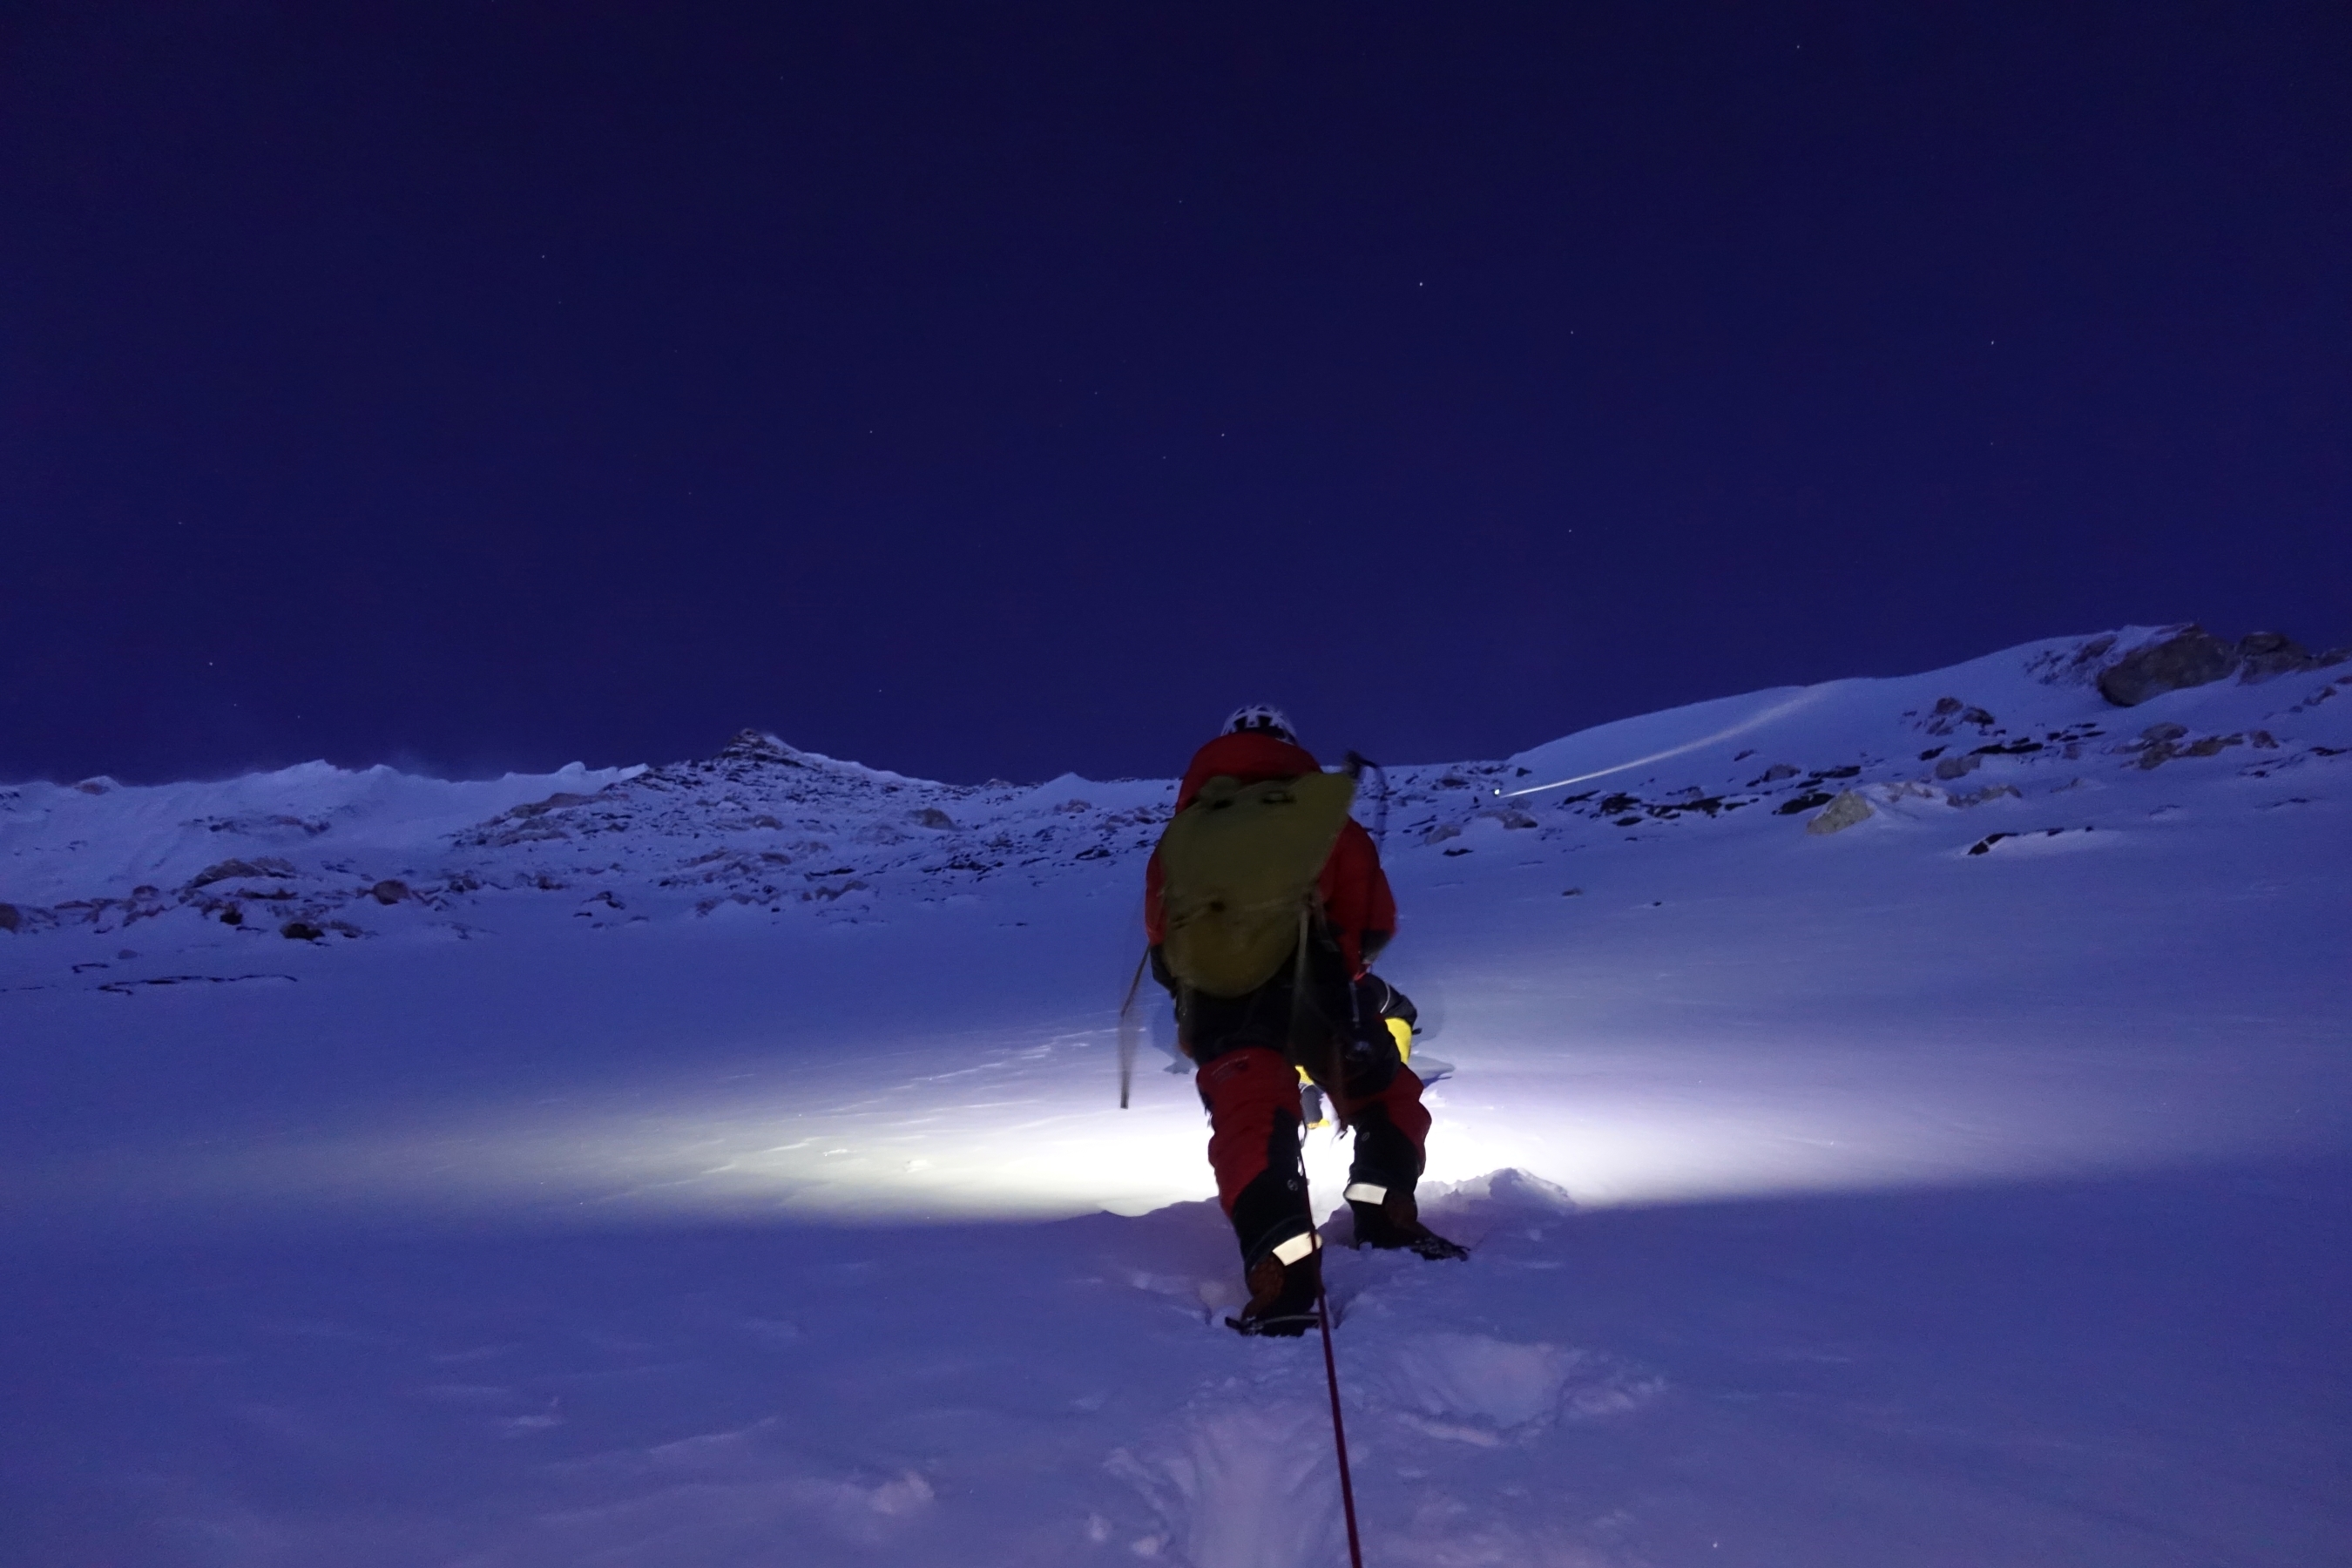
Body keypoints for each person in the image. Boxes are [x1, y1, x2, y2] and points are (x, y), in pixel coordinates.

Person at [1145, 704, 1466, 1337]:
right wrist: (1341, 971)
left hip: (1218, 1003)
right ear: (1291, 747)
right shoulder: (1324, 821)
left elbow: (1163, 945)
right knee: (1382, 1092)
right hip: (1316, 991)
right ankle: (1385, 1213)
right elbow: (1375, 923)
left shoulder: (1186, 832)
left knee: (1251, 1117)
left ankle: (1280, 1277)